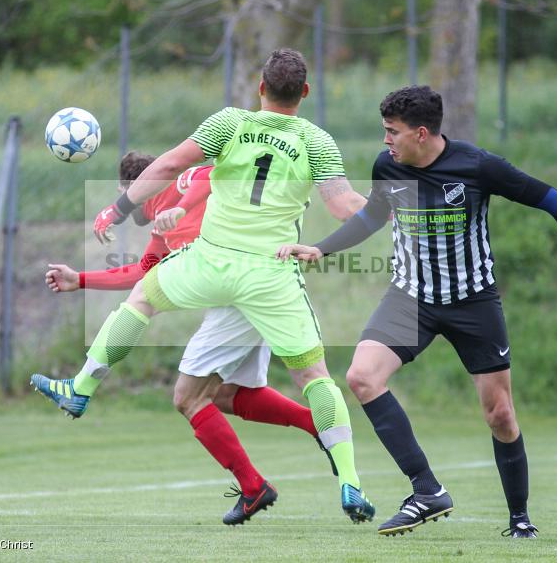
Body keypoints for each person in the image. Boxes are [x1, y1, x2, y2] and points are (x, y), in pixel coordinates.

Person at [277, 85, 557, 538]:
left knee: (500, 413)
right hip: (410, 299)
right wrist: (321, 248)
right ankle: (426, 490)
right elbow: (371, 217)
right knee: (362, 377)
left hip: (473, 302)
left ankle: (519, 519)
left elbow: (553, 200)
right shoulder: (388, 166)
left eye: (393, 132)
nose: (386, 141)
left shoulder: (477, 166)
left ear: (422, 133)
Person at [36, 49, 375, 524]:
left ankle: (83, 385)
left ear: (260, 88)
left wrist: (117, 209)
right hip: (268, 275)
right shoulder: (315, 141)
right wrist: (389, 207)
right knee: (314, 377)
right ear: (304, 93)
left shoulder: (230, 123)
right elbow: (344, 207)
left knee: (145, 300)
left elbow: (171, 164)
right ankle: (351, 485)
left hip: (211, 261)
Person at [31, 151, 338, 525]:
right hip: (251, 291)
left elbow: (212, 173)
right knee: (224, 394)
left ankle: (255, 484)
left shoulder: (187, 180)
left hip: (249, 288)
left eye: (129, 192)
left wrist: (187, 197)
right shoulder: (162, 228)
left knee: (188, 397)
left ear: (141, 187)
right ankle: (315, 427)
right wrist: (79, 279)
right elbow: (143, 272)